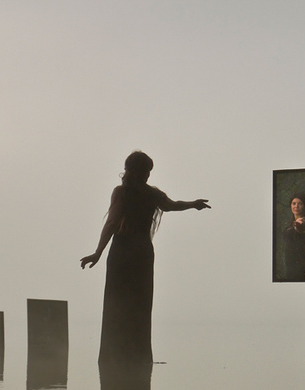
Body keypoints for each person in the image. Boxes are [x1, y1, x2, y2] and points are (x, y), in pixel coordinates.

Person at [80, 151, 209, 364]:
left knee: (117, 304)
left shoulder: (123, 192)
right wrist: (192, 204)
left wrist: (98, 252)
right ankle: (138, 358)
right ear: (141, 171)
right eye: (147, 171)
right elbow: (172, 205)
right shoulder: (152, 194)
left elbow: (112, 223)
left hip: (123, 252)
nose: (148, 175)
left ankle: (114, 358)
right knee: (139, 306)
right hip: (142, 253)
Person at [282, 192, 305, 280]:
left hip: (301, 265)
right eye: (294, 203)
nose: (296, 206)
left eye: (300, 204)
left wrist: (299, 224)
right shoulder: (290, 223)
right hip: (290, 265)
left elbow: (302, 223)